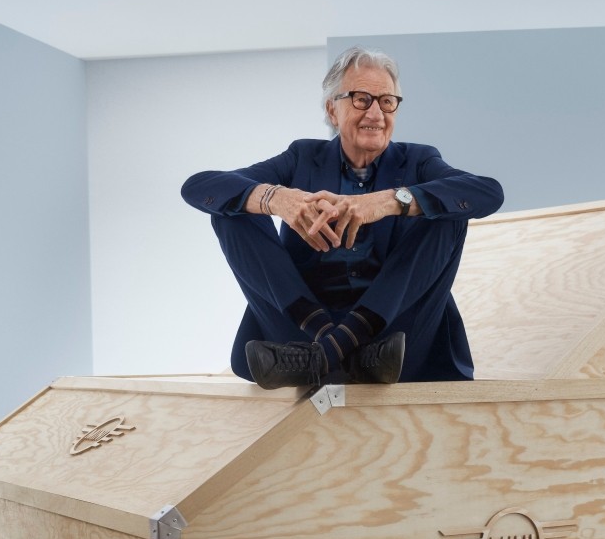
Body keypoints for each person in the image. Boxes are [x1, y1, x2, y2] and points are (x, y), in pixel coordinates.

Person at [182, 46, 505, 388]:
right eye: (362, 99)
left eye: (387, 101)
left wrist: (390, 200)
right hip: (300, 337)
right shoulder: (302, 157)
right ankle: (336, 347)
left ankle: (326, 354)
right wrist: (275, 198)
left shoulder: (418, 161)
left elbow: (487, 192)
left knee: (447, 210)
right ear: (332, 110)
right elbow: (199, 186)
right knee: (232, 210)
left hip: (395, 344)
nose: (376, 114)